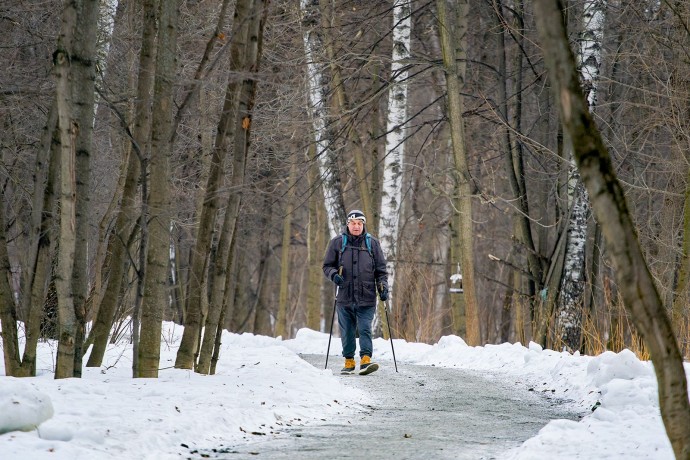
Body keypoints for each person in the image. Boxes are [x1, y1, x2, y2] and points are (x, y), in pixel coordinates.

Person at [322, 209, 389, 374]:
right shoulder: (337, 243)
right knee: (348, 331)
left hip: (366, 296)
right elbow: (327, 266)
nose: (356, 226)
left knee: (365, 327)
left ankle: (366, 360)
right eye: (353, 223)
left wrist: (383, 287)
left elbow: (381, 270)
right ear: (348, 224)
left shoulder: (372, 243)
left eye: (359, 223)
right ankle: (349, 361)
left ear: (363, 225)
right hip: (344, 295)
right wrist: (334, 276)